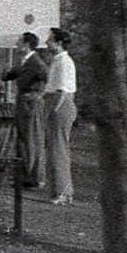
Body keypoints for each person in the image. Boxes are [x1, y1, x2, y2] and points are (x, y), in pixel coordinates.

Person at [1, 32, 47, 189]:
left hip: (30, 104)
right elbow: (9, 76)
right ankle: (26, 175)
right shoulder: (25, 61)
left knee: (30, 140)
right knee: (23, 139)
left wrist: (38, 93)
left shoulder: (36, 63)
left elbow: (46, 77)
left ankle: (34, 178)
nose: (16, 44)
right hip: (24, 103)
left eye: (19, 42)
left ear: (26, 45)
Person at [42, 27, 78, 204]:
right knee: (54, 149)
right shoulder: (57, 61)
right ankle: (57, 190)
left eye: (50, 40)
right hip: (55, 103)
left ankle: (64, 193)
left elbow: (62, 90)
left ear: (59, 43)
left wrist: (52, 111)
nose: (47, 42)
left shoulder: (64, 62)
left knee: (58, 149)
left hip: (60, 105)